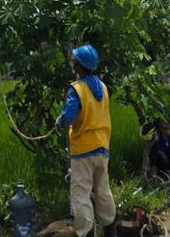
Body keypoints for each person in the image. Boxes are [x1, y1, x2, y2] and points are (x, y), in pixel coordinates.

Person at [56, 44, 117, 237]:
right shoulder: (104, 88)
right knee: (103, 191)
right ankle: (110, 231)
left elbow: (70, 117)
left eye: (74, 60)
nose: (72, 62)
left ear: (78, 66)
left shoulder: (77, 89)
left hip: (83, 150)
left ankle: (87, 233)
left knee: (80, 194)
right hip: (102, 147)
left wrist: (60, 121)